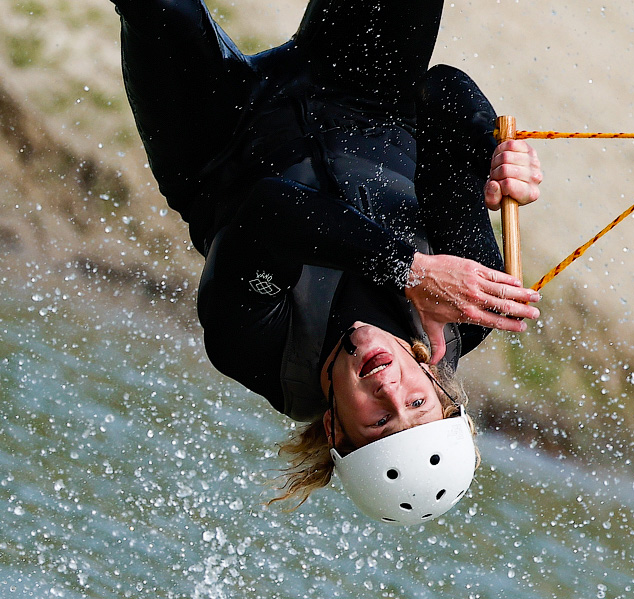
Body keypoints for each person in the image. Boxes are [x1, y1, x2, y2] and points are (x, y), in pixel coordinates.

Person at [112, 0, 543, 523]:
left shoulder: (256, 353)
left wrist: (409, 271)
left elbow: (267, 213)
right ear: (438, 389)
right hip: (363, 89)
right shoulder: (466, 307)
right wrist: (491, 151)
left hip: (213, 139)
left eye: (380, 423)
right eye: (417, 406)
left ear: (336, 431)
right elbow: (442, 93)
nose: (390, 390)